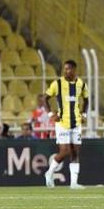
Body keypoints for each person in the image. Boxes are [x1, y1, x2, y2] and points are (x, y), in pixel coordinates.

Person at [42, 60, 88, 189]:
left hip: (76, 123)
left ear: (74, 69)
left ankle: (74, 183)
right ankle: (49, 172)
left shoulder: (81, 84)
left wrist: (84, 114)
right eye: (65, 69)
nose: (66, 71)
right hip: (62, 123)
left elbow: (86, 99)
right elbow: (44, 98)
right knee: (65, 151)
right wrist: (50, 115)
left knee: (75, 152)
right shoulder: (57, 84)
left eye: (68, 69)